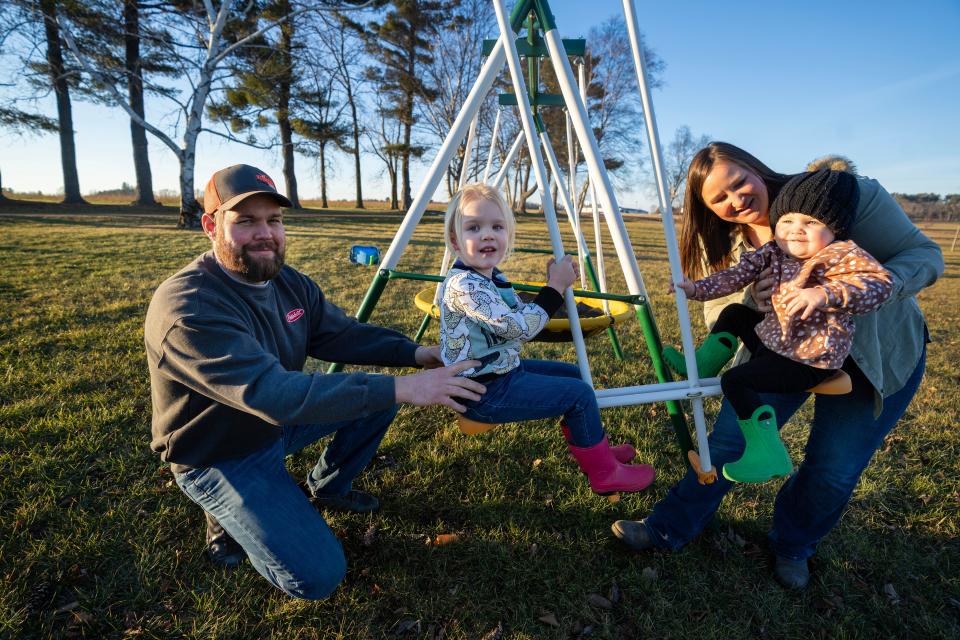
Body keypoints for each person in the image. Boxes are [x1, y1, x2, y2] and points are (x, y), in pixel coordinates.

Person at [145, 164, 486, 600]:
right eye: (246, 221)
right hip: (218, 452)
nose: (265, 233)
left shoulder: (287, 282)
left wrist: (416, 354)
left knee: (375, 399)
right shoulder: (188, 307)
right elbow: (273, 395)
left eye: (274, 220)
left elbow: (339, 335)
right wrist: (404, 387)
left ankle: (327, 488)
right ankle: (224, 513)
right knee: (317, 576)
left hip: (274, 425)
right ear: (210, 225)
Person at [611, 143, 943, 589]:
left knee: (833, 467)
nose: (736, 201)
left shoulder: (840, 197)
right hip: (779, 350)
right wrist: (756, 297)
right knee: (729, 441)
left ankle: (792, 546)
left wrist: (862, 289)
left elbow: (923, 256)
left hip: (876, 357)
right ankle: (666, 527)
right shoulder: (730, 240)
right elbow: (721, 311)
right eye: (719, 199)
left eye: (739, 182)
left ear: (756, 168)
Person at [662, 170, 893, 483]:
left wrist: (826, 293)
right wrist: (695, 289)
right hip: (774, 339)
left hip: (809, 359)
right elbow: (735, 276)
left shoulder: (842, 255)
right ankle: (703, 365)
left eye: (811, 222)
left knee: (736, 381)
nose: (796, 231)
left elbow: (880, 285)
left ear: (834, 228)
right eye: (787, 221)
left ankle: (768, 452)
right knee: (734, 312)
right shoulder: (774, 250)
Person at [438, 183, 655, 495]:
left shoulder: (491, 277)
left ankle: (596, 450)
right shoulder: (466, 286)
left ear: (507, 235)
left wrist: (550, 284)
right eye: (474, 227)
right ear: (456, 243)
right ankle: (604, 473)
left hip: (501, 372)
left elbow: (520, 311)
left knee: (576, 376)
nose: (487, 234)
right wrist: (554, 287)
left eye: (497, 226)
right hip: (483, 392)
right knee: (578, 395)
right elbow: (518, 328)